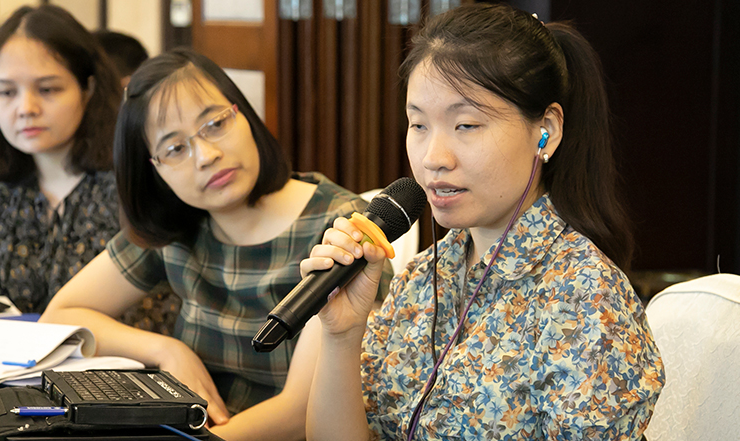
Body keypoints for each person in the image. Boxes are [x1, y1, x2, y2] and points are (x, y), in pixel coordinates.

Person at [302, 4, 664, 440]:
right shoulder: (421, 277)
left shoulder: (585, 298)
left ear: (545, 129)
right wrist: (342, 335)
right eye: (418, 124)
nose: (434, 158)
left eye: (467, 125)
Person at [40, 47, 393, 440]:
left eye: (215, 124)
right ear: (154, 170)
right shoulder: (180, 224)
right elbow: (61, 316)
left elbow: (298, 413)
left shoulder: (339, 228)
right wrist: (168, 351)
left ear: (243, 114)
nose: (206, 155)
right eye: (175, 149)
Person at [0, 5, 121, 314]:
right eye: (7, 92)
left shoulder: (127, 188)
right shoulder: (6, 188)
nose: (26, 108)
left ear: (87, 88)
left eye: (47, 89)